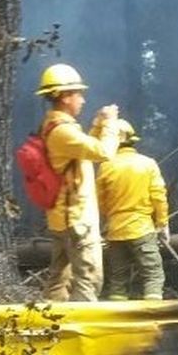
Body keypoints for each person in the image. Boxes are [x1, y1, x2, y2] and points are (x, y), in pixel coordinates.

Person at [36, 63, 119, 301]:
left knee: (59, 283)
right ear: (64, 97)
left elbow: (82, 151)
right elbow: (103, 152)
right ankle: (80, 332)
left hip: (63, 218)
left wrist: (96, 125)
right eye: (78, 94)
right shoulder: (62, 132)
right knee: (88, 281)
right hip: (77, 220)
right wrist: (111, 123)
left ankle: (52, 330)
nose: (82, 99)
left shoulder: (54, 127)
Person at [95, 119, 171, 300]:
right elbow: (159, 196)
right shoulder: (148, 163)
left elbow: (100, 202)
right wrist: (162, 223)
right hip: (142, 229)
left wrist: (110, 219)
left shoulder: (105, 167)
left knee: (117, 281)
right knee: (153, 275)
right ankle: (153, 318)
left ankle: (117, 321)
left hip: (115, 231)